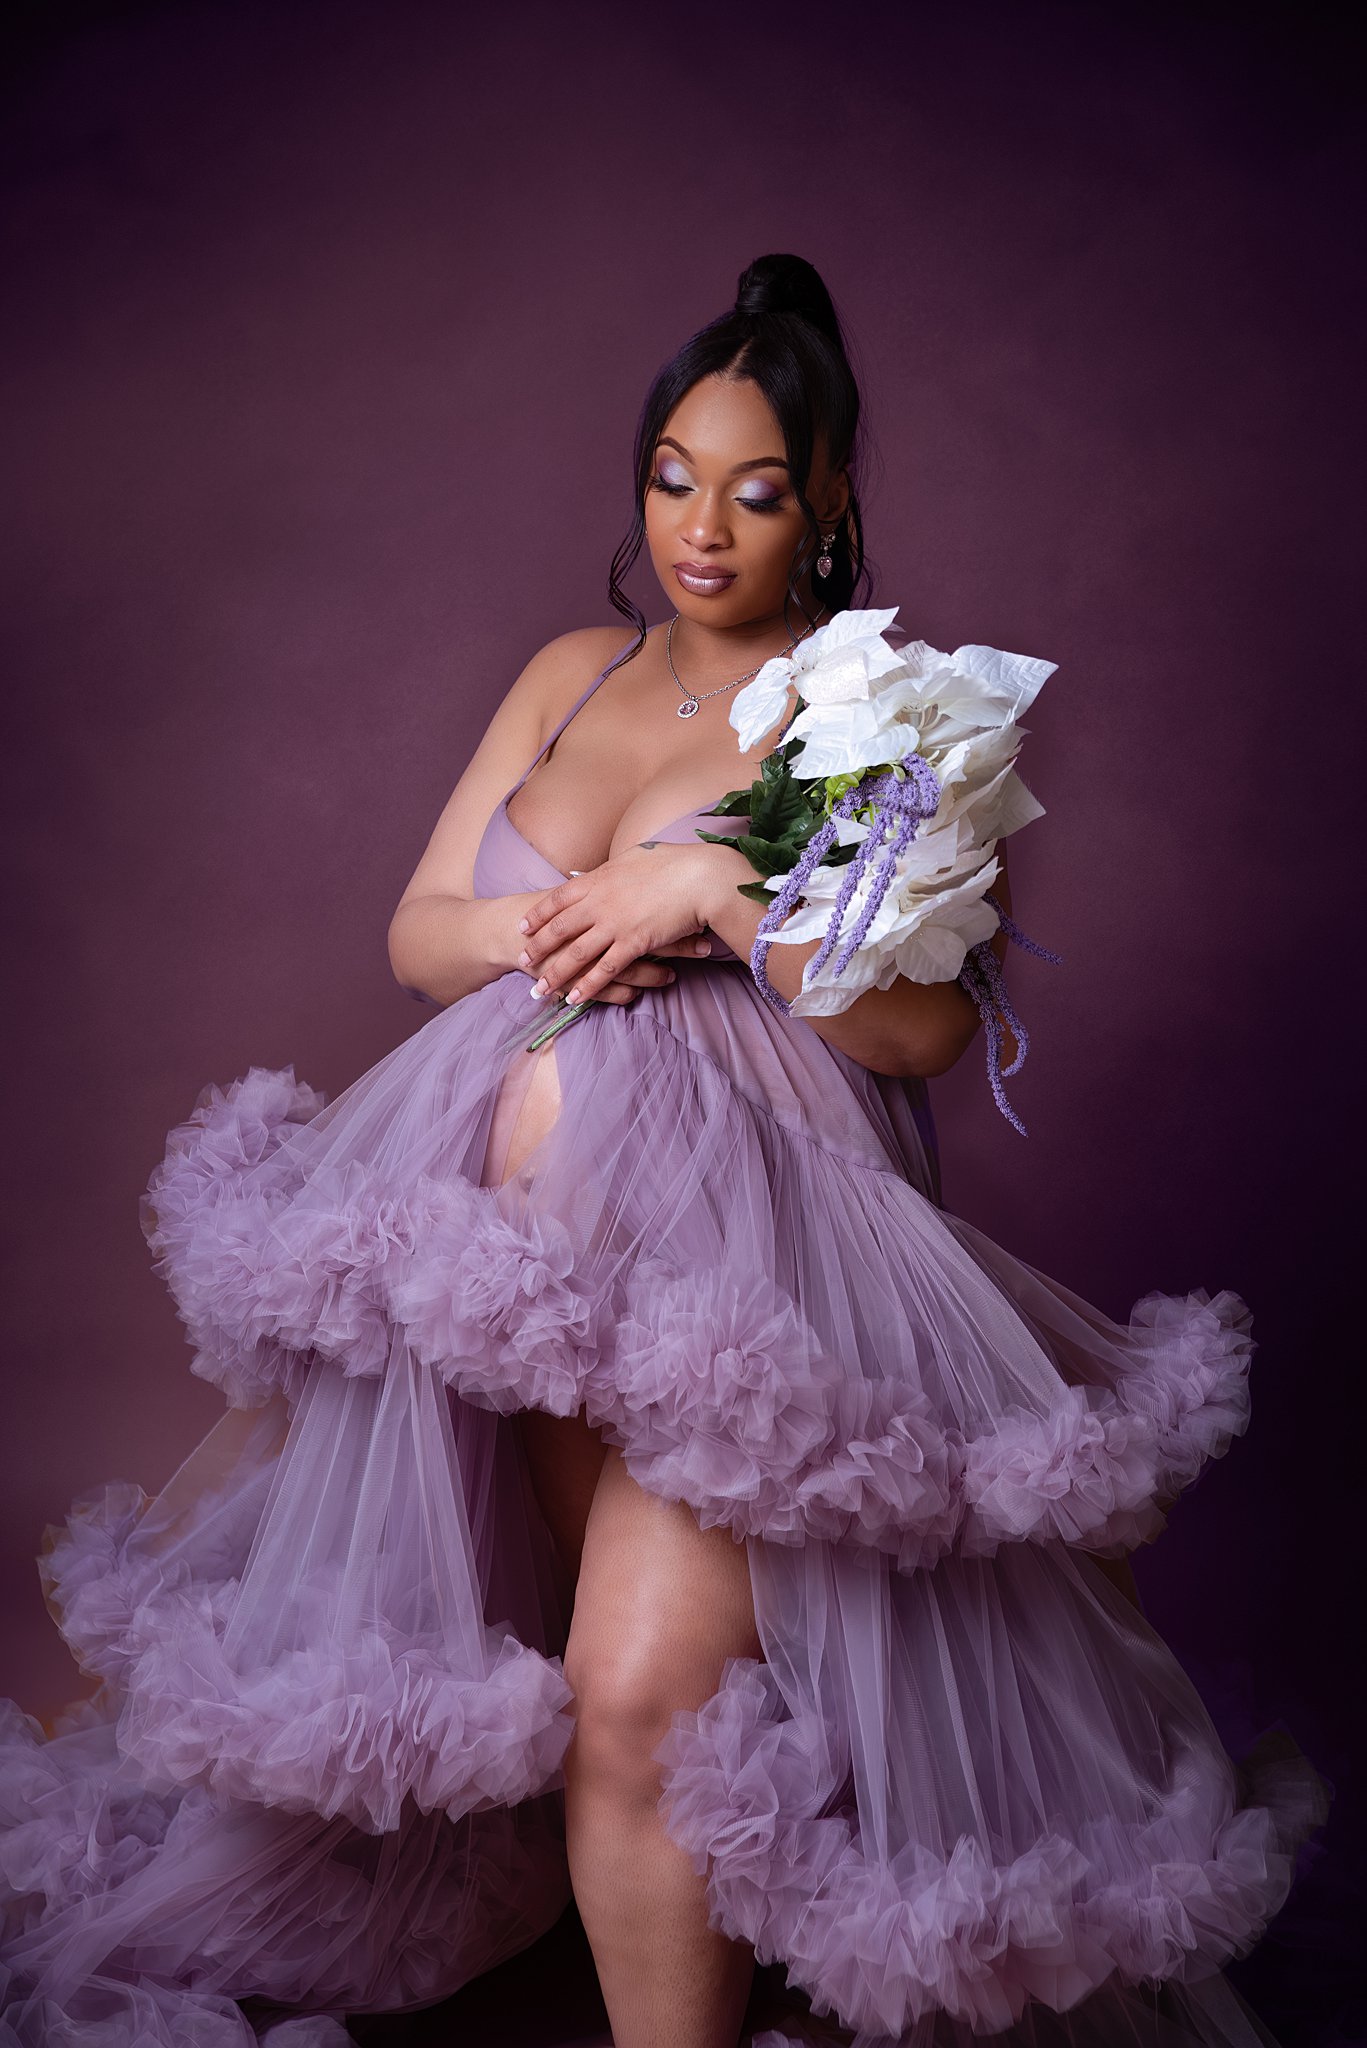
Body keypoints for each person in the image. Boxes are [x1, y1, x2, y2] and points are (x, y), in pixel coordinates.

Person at [0, 254, 1328, 2048]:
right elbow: (417, 931)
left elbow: (915, 1029)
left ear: (834, 497)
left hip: (737, 1294)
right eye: (674, 479)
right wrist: (575, 923)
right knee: (558, 1693)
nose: (707, 528)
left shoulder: (873, 711)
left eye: (759, 488)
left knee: (637, 1697)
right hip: (499, 1278)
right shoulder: (573, 670)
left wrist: (713, 887)